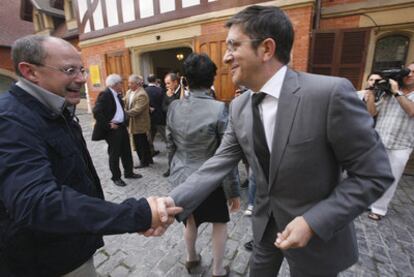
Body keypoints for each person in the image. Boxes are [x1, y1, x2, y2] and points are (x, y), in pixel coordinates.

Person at [155, 5, 393, 277]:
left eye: (233, 46)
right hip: (265, 229)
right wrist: (170, 203)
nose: (225, 56)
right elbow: (218, 162)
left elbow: (374, 175)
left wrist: (313, 222)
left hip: (315, 237)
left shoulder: (329, 94)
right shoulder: (238, 106)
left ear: (266, 49)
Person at [0, 35, 181, 277]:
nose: (82, 78)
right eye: (69, 70)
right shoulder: (10, 120)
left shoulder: (55, 106)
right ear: (30, 71)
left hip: (72, 245)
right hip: (48, 260)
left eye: (82, 69)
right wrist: (137, 215)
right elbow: (38, 202)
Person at [166, 53, 240, 276]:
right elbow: (226, 155)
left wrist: (174, 173)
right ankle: (217, 270)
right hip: (210, 179)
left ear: (185, 80)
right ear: (212, 80)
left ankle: (191, 259)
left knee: (190, 221)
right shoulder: (219, 109)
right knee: (219, 222)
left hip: (183, 177)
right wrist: (233, 191)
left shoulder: (173, 107)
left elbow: (171, 146)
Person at [365, 63, 414, 221]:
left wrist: (397, 92)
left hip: (401, 144)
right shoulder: (387, 93)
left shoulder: (395, 91)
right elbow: (371, 112)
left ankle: (379, 209)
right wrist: (372, 93)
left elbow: (411, 111)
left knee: (390, 178)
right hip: (379, 140)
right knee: (373, 174)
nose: (410, 74)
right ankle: (367, 201)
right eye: (408, 71)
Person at [92, 74, 142, 187]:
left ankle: (128, 172)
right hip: (113, 130)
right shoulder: (105, 95)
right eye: (120, 83)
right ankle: (116, 177)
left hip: (121, 127)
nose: (122, 85)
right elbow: (97, 112)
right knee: (114, 154)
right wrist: (108, 125)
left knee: (126, 151)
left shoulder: (117, 95)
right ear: (115, 84)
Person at [124, 74, 153, 168]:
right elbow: (124, 101)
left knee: (141, 143)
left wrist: (125, 114)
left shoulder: (142, 94)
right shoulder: (129, 92)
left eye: (131, 83)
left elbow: (137, 109)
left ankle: (144, 161)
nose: (129, 84)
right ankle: (148, 159)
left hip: (140, 123)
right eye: (129, 83)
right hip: (133, 122)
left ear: (137, 84)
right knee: (141, 141)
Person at [161, 72, 182, 177]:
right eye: (166, 84)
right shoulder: (167, 92)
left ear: (175, 82)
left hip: (180, 126)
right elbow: (163, 107)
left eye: (168, 83)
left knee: (181, 148)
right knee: (170, 148)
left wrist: (171, 97)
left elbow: (178, 108)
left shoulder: (183, 92)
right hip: (169, 125)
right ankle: (170, 168)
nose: (167, 86)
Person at [145, 74, 166, 158]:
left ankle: (151, 151)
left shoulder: (144, 90)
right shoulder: (160, 90)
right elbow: (163, 103)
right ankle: (172, 150)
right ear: (155, 80)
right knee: (165, 135)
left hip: (149, 116)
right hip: (159, 116)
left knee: (150, 136)